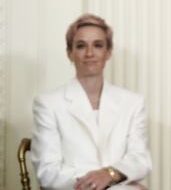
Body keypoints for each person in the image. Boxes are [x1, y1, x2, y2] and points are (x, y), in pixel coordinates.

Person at [30, 14, 152, 190]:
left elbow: (140, 159)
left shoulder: (133, 102)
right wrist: (108, 179)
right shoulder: (48, 103)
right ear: (70, 53)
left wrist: (109, 175)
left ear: (108, 52)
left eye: (98, 45)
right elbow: (48, 172)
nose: (89, 53)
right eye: (80, 46)